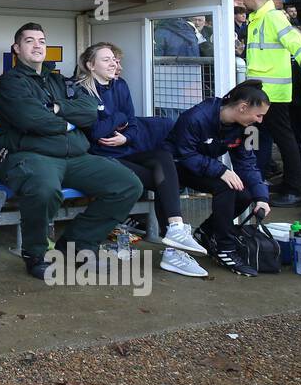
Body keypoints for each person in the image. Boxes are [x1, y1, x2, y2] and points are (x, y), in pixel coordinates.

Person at [0, 23, 143, 279]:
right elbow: (32, 120)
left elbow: (90, 109)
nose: (37, 45)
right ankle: (35, 254)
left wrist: (57, 108)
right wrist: (69, 121)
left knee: (128, 185)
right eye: (29, 41)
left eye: (41, 40)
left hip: (75, 157)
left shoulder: (58, 80)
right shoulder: (9, 83)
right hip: (32, 156)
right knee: (45, 189)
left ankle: (77, 243)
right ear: (17, 48)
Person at [74, 43, 208, 276]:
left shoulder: (121, 85)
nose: (114, 64)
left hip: (125, 150)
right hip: (99, 158)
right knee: (163, 180)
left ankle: (175, 229)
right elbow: (94, 132)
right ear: (90, 65)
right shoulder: (81, 89)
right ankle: (173, 253)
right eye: (106, 60)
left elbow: (132, 123)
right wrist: (118, 117)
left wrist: (125, 137)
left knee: (163, 160)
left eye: (114, 60)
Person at [166, 81, 272, 276]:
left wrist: (262, 197)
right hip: (174, 167)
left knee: (245, 193)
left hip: (202, 167)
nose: (260, 121)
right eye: (259, 115)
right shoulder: (196, 117)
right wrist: (220, 170)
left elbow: (248, 163)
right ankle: (225, 249)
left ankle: (206, 232)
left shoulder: (248, 129)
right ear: (242, 107)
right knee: (227, 187)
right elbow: (185, 154)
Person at [242, 0, 301, 206]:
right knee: (261, 137)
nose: (242, 3)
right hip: (261, 91)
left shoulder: (272, 17)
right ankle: (269, 181)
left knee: (285, 140)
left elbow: (293, 39)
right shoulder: (257, 19)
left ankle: (294, 188)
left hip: (272, 93)